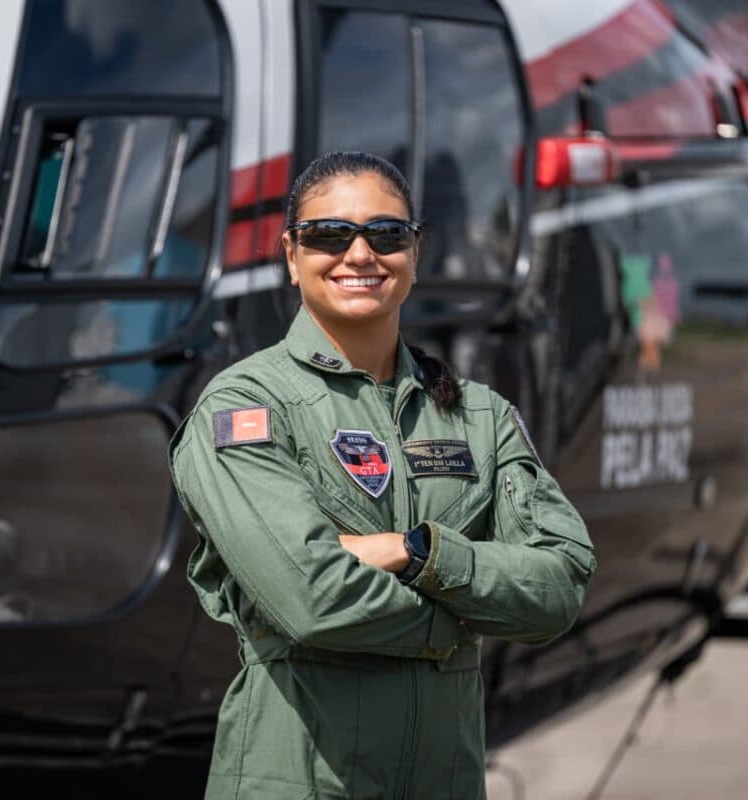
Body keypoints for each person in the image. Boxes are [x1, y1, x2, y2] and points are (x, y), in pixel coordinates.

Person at [167, 151, 596, 799]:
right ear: (291, 256)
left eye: (387, 234)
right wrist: (463, 619)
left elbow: (559, 586)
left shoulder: (479, 415)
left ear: (415, 253)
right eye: (329, 235)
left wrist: (418, 553)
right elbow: (311, 600)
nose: (360, 254)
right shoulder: (246, 410)